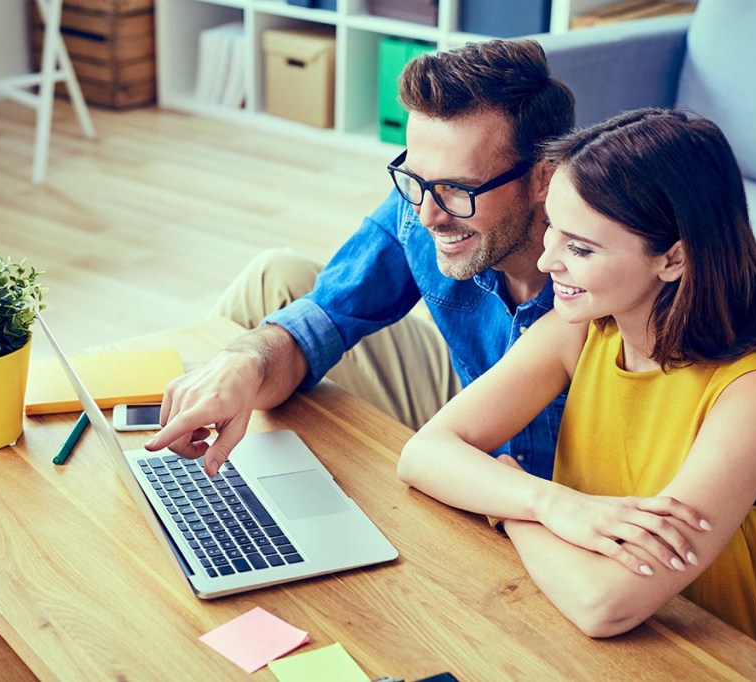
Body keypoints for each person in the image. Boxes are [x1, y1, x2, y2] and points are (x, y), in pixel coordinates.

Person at [397, 108, 756, 681]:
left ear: (673, 257)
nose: (546, 261)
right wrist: (550, 503)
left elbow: (606, 604)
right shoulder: (584, 329)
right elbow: (424, 453)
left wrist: (508, 503)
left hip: (738, 660)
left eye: (582, 249)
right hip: (625, 641)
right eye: (552, 233)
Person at [147, 39, 578, 479]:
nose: (428, 215)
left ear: (543, 177)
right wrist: (244, 364)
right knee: (277, 278)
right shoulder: (423, 207)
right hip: (466, 396)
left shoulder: (606, 267)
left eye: (459, 190)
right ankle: (200, 457)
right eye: (415, 180)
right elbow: (327, 314)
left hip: (565, 479)